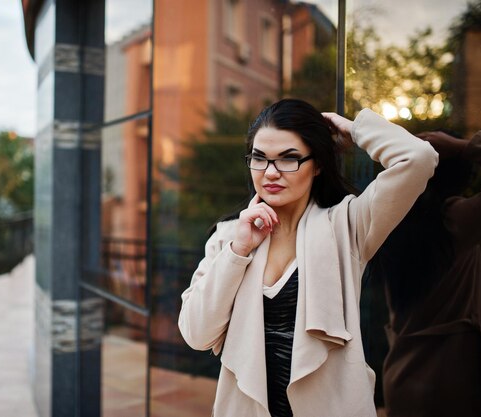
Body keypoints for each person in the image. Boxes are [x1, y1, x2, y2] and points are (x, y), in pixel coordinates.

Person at [177, 98, 439, 417]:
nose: (270, 173)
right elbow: (196, 335)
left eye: (289, 159)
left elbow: (419, 158)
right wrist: (238, 250)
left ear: (316, 165)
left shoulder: (347, 226)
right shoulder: (229, 236)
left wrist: (355, 129)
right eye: (260, 159)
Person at [371, 130, 481, 417]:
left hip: (401, 378)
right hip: (453, 380)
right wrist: (465, 146)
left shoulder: (388, 220)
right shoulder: (457, 221)